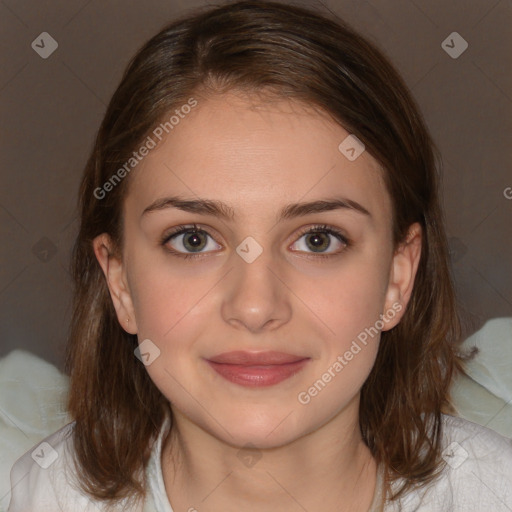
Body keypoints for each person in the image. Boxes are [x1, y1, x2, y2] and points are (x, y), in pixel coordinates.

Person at [8, 1, 512, 511]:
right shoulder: (40, 496)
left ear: (397, 278)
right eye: (193, 240)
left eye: (318, 239)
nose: (254, 307)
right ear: (119, 282)